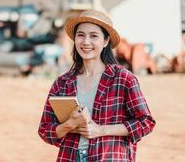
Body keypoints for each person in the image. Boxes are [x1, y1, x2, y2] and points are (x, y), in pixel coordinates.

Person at [38, 10, 155, 162]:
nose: (86, 42)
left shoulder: (123, 78)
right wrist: (69, 124)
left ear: (106, 41)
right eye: (81, 35)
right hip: (70, 157)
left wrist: (100, 130)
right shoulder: (62, 83)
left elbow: (145, 122)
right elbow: (45, 130)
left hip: (109, 157)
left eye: (94, 36)